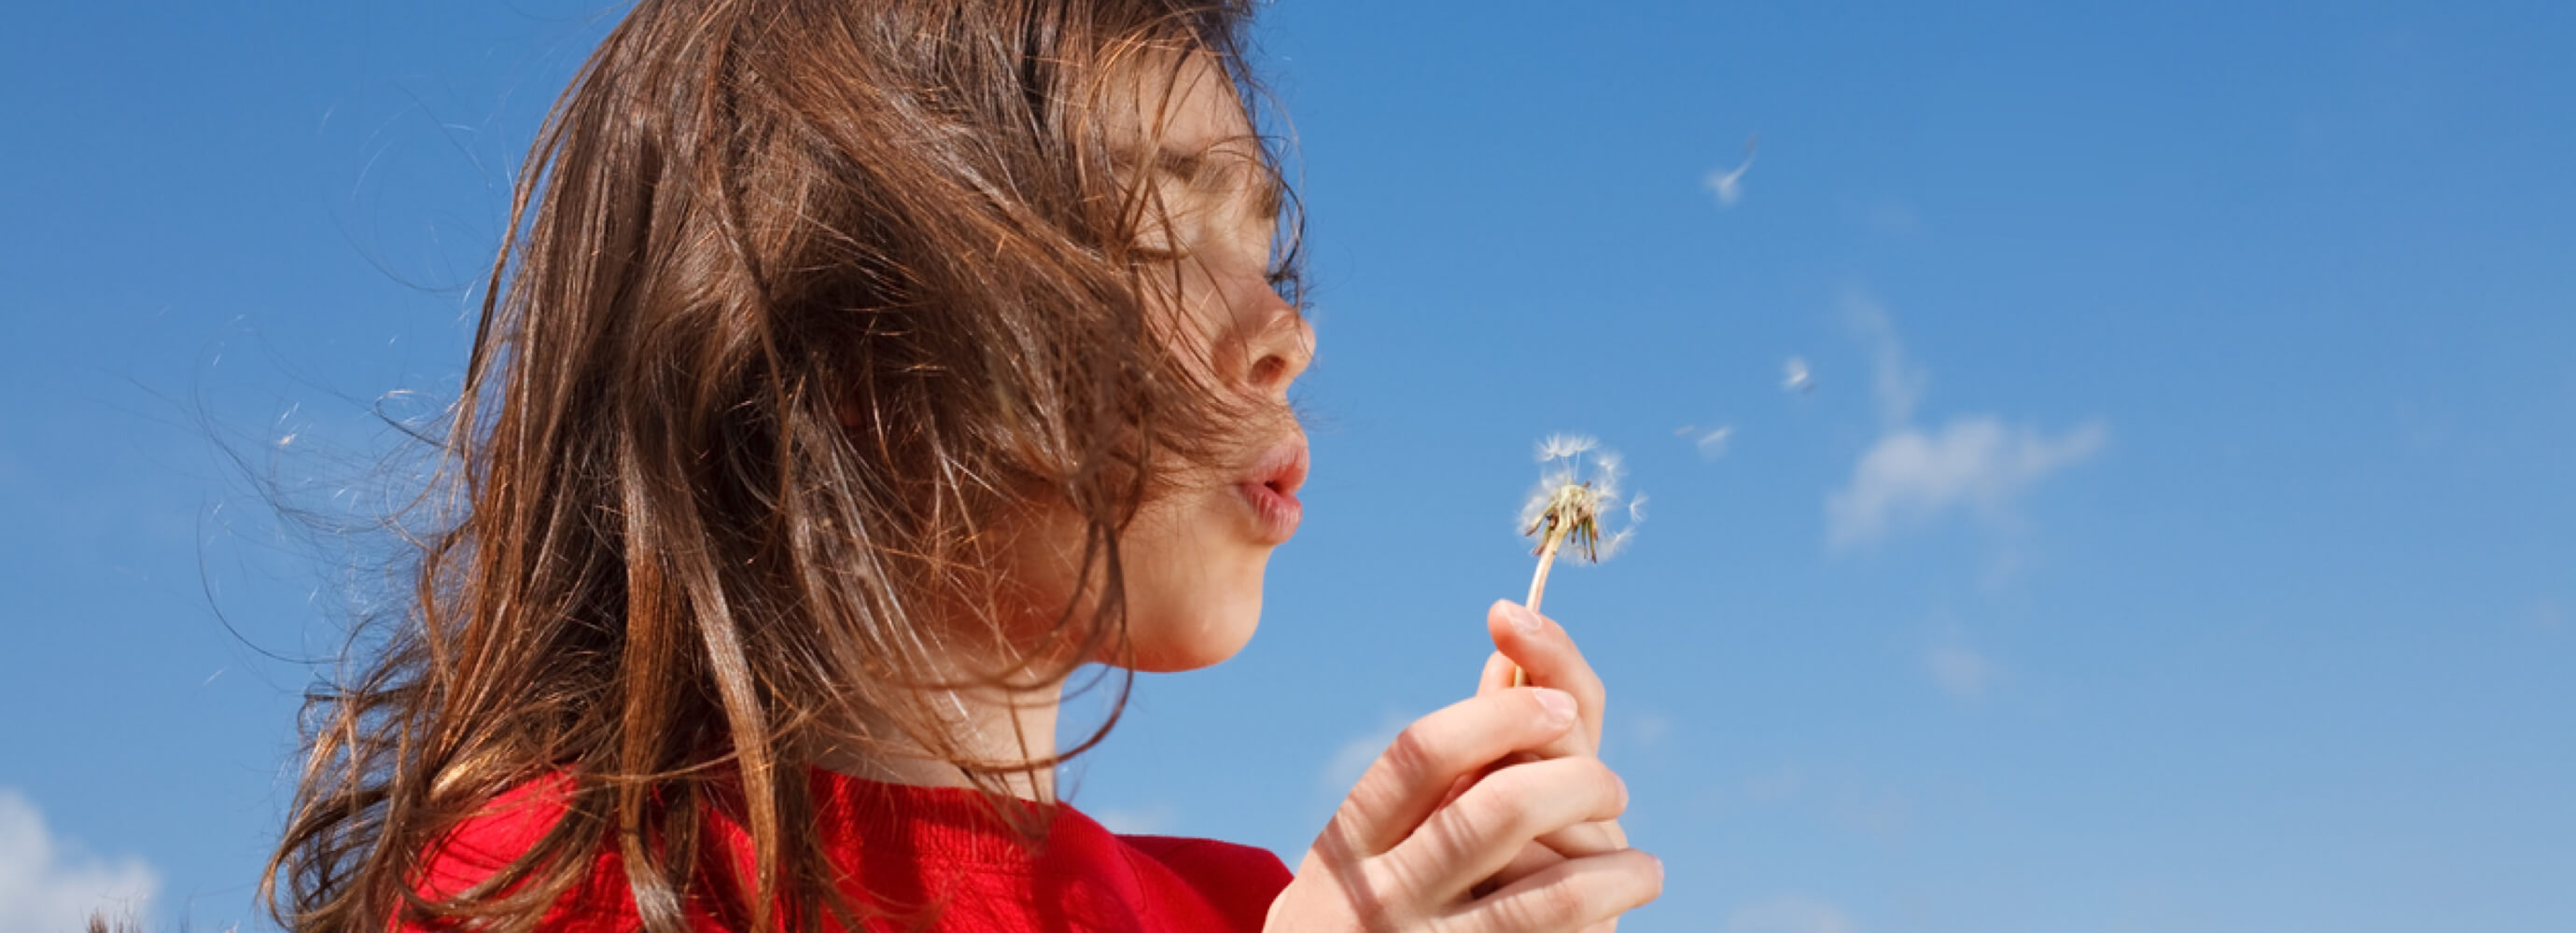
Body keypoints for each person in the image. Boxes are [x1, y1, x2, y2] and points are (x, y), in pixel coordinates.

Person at [259, 1, 1662, 931]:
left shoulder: (1244, 910)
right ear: (835, 343)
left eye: (1268, 249)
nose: (1285, 331)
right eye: (1154, 240)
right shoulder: (554, 888)